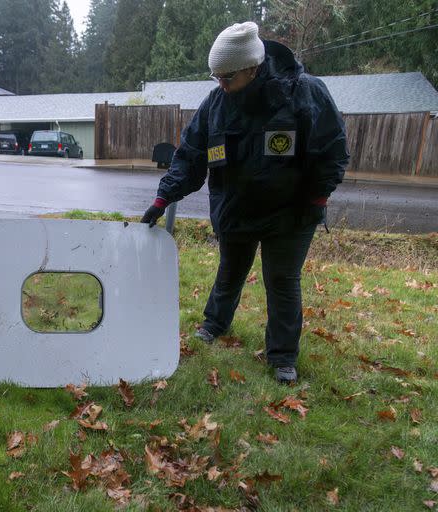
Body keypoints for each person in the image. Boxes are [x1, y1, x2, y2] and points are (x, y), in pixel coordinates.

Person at [141, 22, 348, 384]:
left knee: (282, 281)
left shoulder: (303, 93)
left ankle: (282, 357)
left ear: (252, 68)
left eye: (228, 76)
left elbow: (333, 150)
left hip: (291, 213)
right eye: (216, 76)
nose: (220, 84)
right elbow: (190, 155)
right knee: (229, 272)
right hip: (236, 209)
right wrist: (164, 197)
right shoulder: (216, 104)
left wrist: (317, 196)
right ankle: (214, 324)